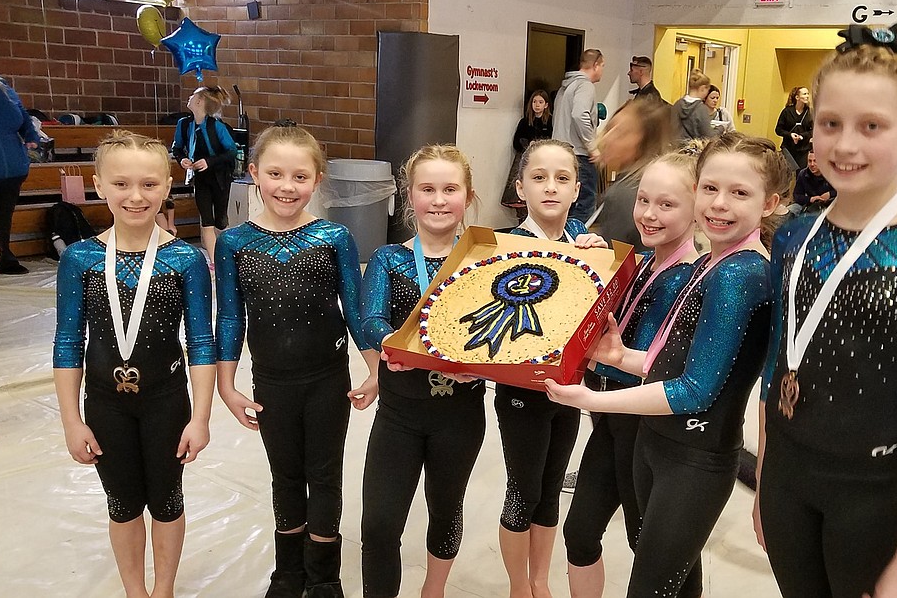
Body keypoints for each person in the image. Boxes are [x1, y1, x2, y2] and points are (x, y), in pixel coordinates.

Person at [754, 21, 897, 598]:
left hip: (872, 490)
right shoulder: (793, 237)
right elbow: (773, 368)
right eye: (830, 124)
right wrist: (763, 481)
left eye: (871, 126)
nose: (845, 145)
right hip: (786, 476)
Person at [547, 132, 789, 598]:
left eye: (739, 193)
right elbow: (671, 358)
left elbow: (695, 389)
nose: (719, 205)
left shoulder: (742, 273)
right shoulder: (715, 263)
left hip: (694, 457)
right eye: (711, 189)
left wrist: (596, 398)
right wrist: (623, 358)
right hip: (657, 446)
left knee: (653, 587)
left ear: (769, 203)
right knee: (675, 583)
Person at [215, 125, 378, 597]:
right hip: (272, 382)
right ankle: (288, 570)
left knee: (325, 473)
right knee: (284, 474)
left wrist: (373, 367)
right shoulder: (234, 243)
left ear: (318, 179)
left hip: (327, 380)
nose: (287, 186)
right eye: (275, 174)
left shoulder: (333, 237)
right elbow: (230, 317)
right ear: (254, 174)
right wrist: (227, 385)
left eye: (300, 176)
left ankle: (324, 573)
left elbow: (356, 306)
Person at [53, 130, 215, 598]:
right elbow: (68, 343)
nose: (135, 195)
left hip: (167, 403)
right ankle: (134, 591)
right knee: (122, 504)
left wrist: (201, 418)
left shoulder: (184, 259)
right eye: (121, 184)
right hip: (105, 405)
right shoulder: (81, 259)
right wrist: (71, 420)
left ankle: (162, 590)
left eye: (148, 184)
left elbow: (200, 344)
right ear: (98, 185)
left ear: (168, 185)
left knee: (166, 500)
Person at [562, 151, 700, 598]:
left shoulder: (696, 278)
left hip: (652, 431)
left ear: (698, 208)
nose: (648, 214)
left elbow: (672, 370)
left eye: (666, 205)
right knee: (580, 532)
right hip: (611, 423)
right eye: (643, 201)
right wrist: (597, 261)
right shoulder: (640, 264)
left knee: (654, 551)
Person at [352, 145, 486, 598]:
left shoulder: (483, 262)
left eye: (450, 189)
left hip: (460, 416)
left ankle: (434, 590)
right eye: (427, 189)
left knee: (446, 510)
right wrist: (394, 341)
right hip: (399, 416)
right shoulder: (389, 258)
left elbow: (509, 332)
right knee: (379, 523)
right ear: (410, 196)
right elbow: (370, 319)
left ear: (468, 197)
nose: (438, 199)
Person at [497, 138, 606, 598]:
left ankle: (540, 580)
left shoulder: (584, 241)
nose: (550, 188)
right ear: (520, 187)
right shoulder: (503, 246)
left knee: (549, 491)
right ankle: (518, 586)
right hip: (521, 391)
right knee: (523, 490)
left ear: (577, 187)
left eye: (562, 178)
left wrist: (601, 259)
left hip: (568, 392)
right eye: (539, 178)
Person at [590, 97, 673, 253]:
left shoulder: (625, 194)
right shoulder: (662, 182)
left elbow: (615, 260)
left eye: (621, 133)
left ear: (642, 142)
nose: (607, 139)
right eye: (609, 129)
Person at [0, 46, 40, 275]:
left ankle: (2, 258)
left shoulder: (1, 86)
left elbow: (23, 116)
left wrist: (31, 135)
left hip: (11, 167)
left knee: (1, 218)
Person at [172, 85, 237, 267]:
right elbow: (176, 148)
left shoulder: (217, 127)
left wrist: (210, 161)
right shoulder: (184, 124)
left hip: (219, 176)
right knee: (206, 220)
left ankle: (225, 252)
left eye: (193, 95)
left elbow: (231, 151)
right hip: (200, 177)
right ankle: (215, 261)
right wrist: (183, 159)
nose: (189, 97)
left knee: (221, 220)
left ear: (200, 101)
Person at [552, 49, 605, 222]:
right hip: (579, 155)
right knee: (584, 203)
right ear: (595, 65)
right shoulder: (584, 85)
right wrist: (592, 147)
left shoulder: (565, 86)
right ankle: (578, 244)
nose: (602, 70)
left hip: (560, 152)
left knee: (564, 204)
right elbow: (579, 114)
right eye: (602, 66)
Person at [502, 90, 553, 214]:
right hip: (526, 157)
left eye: (540, 102)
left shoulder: (551, 122)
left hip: (543, 159)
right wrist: (527, 144)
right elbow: (516, 143)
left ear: (546, 105)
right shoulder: (525, 122)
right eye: (534, 102)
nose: (537, 105)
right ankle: (522, 215)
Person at [671, 70, 719, 143]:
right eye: (707, 90)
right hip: (693, 150)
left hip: (675, 149)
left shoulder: (677, 104)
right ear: (702, 88)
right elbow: (708, 136)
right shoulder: (701, 109)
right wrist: (720, 129)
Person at [774, 86, 813, 170]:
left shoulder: (810, 112)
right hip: (788, 148)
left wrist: (802, 136)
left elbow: (813, 130)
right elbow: (778, 130)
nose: (807, 96)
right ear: (797, 97)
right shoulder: (786, 111)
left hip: (803, 149)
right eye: (804, 94)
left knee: (801, 173)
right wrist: (790, 135)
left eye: (808, 94)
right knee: (787, 173)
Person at [789, 147, 835, 214]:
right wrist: (811, 199)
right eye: (810, 161)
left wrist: (830, 194)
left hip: (830, 205)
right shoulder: (803, 174)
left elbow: (844, 191)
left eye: (815, 161)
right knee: (791, 209)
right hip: (810, 205)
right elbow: (797, 196)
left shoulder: (832, 173)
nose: (812, 164)